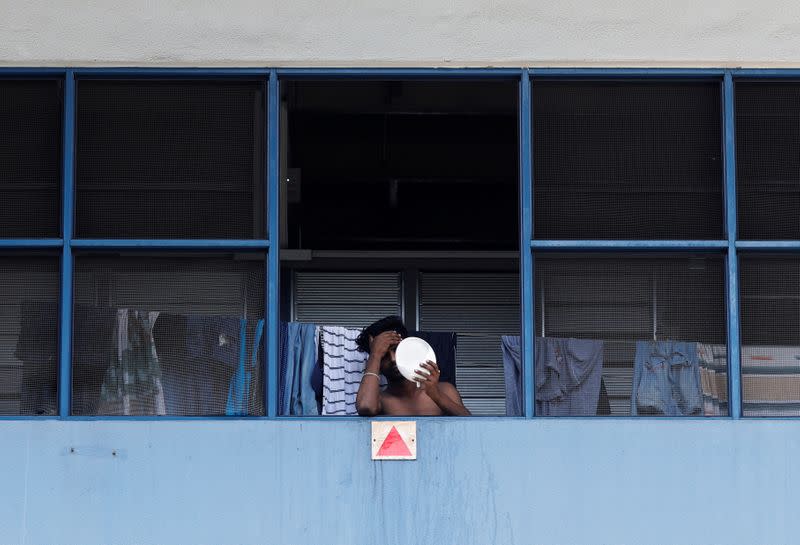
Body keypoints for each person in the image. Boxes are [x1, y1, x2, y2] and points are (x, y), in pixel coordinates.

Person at [354, 316, 471, 416]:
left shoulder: (444, 390)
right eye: (384, 356)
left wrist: (437, 396)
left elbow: (471, 425)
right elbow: (366, 406)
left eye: (396, 350)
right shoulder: (381, 401)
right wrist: (375, 354)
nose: (393, 359)